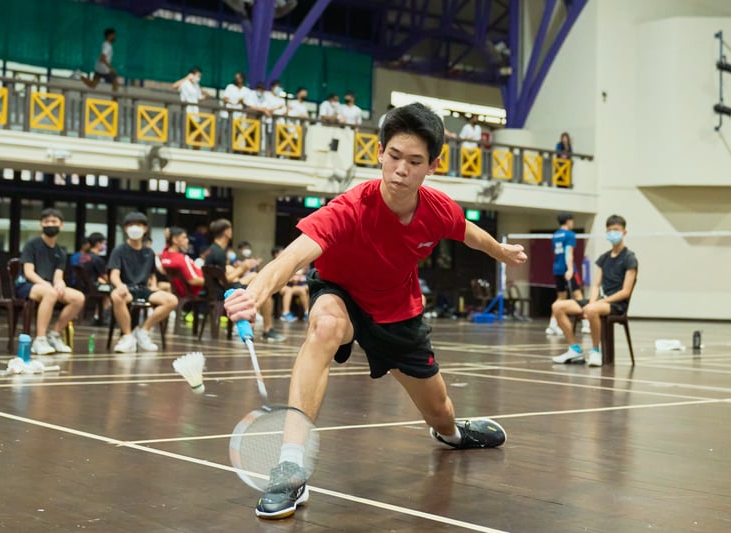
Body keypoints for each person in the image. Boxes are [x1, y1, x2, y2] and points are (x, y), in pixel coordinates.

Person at [224, 102, 527, 519]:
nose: (401, 169)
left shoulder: (436, 210)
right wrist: (255, 293)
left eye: (415, 161)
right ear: (379, 153)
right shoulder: (350, 208)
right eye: (395, 156)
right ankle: (290, 465)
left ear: (432, 166)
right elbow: (291, 258)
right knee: (325, 325)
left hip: (397, 312)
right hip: (341, 293)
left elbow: (469, 233)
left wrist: (500, 251)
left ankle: (453, 434)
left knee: (440, 413)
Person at [551, 214, 638, 367]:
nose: (613, 233)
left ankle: (595, 351)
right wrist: (591, 302)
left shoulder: (629, 258)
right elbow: (596, 285)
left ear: (624, 232)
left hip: (616, 304)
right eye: (610, 230)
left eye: (616, 230)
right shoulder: (603, 258)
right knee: (558, 306)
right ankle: (575, 349)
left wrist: (599, 302)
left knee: (592, 310)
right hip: (599, 301)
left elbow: (625, 291)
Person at [15, 208, 84, 355]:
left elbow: (58, 276)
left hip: (49, 287)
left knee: (78, 298)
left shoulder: (60, 251)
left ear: (61, 225)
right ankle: (40, 340)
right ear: (41, 224)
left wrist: (60, 283)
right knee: (51, 293)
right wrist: (46, 285)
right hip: (27, 285)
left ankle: (55, 334)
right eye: (46, 221)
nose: (50, 224)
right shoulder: (32, 244)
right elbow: (28, 272)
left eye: (54, 221)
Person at [202, 223, 285, 342]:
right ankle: (267, 329)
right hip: (224, 292)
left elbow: (222, 273)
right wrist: (243, 268)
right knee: (264, 291)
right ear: (226, 232)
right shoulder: (219, 252)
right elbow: (224, 279)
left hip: (216, 289)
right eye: (230, 229)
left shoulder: (211, 250)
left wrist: (238, 268)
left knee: (255, 275)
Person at [108, 212, 178, 353]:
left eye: (138, 225)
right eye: (131, 225)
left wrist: (153, 285)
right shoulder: (119, 250)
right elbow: (114, 274)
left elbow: (152, 275)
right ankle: (127, 337)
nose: (135, 228)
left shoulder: (149, 252)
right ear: (125, 229)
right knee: (117, 296)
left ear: (145, 229)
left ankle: (143, 331)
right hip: (126, 288)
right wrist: (120, 286)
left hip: (143, 289)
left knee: (172, 300)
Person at [546, 213, 589, 336]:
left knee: (561, 298)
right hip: (568, 269)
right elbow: (568, 252)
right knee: (578, 295)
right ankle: (586, 325)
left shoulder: (555, 235)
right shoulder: (570, 235)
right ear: (568, 221)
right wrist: (570, 269)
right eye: (572, 221)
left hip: (557, 269)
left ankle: (552, 325)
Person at [160, 227, 204, 297]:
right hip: (190, 293)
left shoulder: (164, 255)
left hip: (177, 291)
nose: (187, 240)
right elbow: (193, 280)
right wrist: (210, 282)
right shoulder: (182, 259)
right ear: (175, 240)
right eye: (184, 238)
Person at [271, 246, 309, 322]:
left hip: (292, 285)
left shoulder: (289, 262)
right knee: (288, 290)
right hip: (278, 287)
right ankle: (285, 313)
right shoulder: (273, 264)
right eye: (281, 252)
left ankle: (307, 313)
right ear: (275, 255)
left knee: (302, 290)